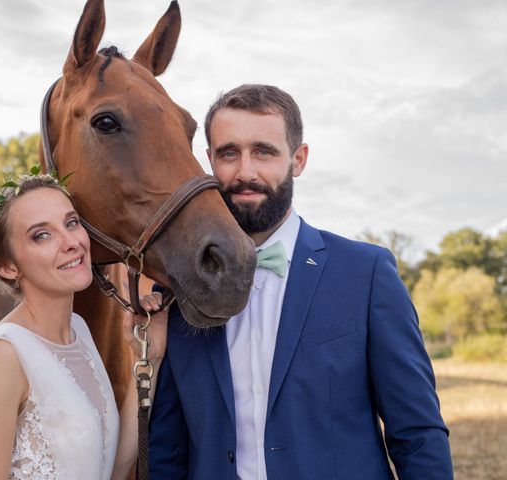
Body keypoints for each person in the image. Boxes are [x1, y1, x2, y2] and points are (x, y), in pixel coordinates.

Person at [148, 84, 453, 479]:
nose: (246, 172)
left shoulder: (366, 274)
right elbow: (167, 446)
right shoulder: (178, 289)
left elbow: (417, 433)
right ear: (209, 161)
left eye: (264, 151)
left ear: (298, 159)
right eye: (229, 153)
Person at [0, 173, 166, 480]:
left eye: (71, 223)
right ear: (8, 266)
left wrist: (150, 356)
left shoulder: (78, 330)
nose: (72, 243)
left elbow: (112, 468)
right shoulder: (4, 354)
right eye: (42, 235)